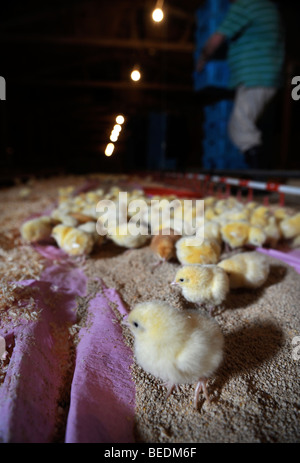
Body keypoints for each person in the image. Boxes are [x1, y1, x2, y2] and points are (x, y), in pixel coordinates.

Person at [197, 0, 285, 169]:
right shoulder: (269, 7)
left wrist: (202, 58)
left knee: (240, 126)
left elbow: (217, 38)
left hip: (255, 76)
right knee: (248, 125)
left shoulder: (245, 5)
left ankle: (260, 177)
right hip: (268, 76)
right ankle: (257, 175)